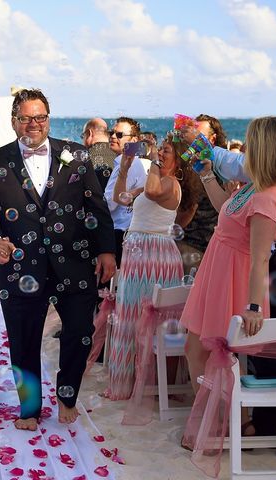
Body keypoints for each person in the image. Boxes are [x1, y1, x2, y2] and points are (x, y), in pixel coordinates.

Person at [0, 88, 116, 430]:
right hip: (19, 266)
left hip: (74, 261)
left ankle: (67, 396)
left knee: (80, 332)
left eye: (40, 117)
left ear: (48, 119)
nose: (34, 124)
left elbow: (96, 207)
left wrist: (107, 250)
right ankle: (30, 408)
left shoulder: (77, 155)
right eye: (26, 118)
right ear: (14, 122)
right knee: (23, 338)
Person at [181, 116, 276, 425]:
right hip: (218, 271)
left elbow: (261, 258)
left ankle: (222, 424)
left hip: (232, 279)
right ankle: (219, 421)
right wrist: (208, 175)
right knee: (198, 350)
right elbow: (227, 209)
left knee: (211, 354)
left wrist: (252, 307)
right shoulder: (254, 186)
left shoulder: (267, 196)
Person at [107, 135, 199, 400]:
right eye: (160, 149)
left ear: (178, 159)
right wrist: (124, 168)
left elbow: (153, 191)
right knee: (131, 315)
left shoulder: (170, 183)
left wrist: (154, 164)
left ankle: (154, 385)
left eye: (166, 151)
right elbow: (120, 197)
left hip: (155, 253)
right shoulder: (154, 181)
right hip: (139, 252)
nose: (159, 153)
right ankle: (129, 383)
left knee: (151, 318)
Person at [175, 114, 228, 273]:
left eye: (197, 135)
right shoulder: (188, 165)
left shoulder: (218, 167)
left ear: (212, 139)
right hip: (191, 243)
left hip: (204, 245)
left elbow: (190, 208)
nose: (191, 139)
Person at [103, 117, 147, 265]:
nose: (113, 137)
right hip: (122, 233)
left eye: (120, 135)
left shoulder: (129, 164)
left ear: (134, 140)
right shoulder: (127, 163)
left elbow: (110, 203)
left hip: (119, 234)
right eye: (112, 133)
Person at [81, 117, 117, 191]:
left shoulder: (84, 158)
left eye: (83, 136)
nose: (82, 140)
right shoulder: (120, 156)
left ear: (89, 133)